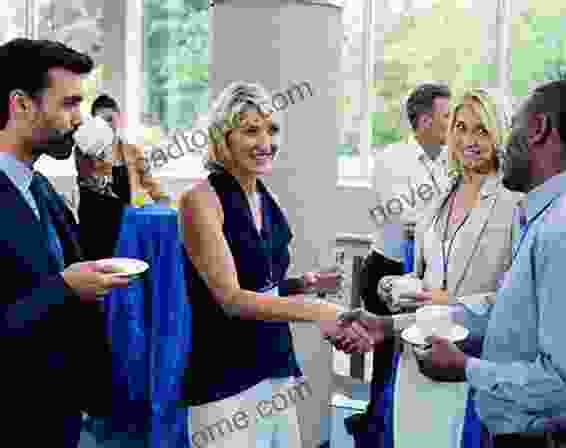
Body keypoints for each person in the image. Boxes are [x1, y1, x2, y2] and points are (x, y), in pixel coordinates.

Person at [403, 80, 566, 448]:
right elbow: (508, 313)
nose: (503, 143)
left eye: (513, 128)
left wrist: (466, 368)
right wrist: (394, 323)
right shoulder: (562, 213)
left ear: (538, 129)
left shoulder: (564, 228)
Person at [178, 81, 374, 448]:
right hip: (226, 376)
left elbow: (261, 286)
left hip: (275, 365)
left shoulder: (262, 195)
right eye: (251, 131)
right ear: (224, 137)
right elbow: (232, 299)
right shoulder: (199, 201)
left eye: (272, 129)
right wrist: (316, 310)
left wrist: (302, 284)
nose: (265, 142)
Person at [374, 88, 524, 448]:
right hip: (416, 355)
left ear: (498, 136)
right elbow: (427, 275)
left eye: (481, 130)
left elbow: (515, 299)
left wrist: (444, 298)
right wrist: (398, 285)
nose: (469, 140)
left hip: (467, 361)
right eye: (460, 127)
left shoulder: (514, 203)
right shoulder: (440, 195)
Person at [0, 38, 130, 448]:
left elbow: (91, 259)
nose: (79, 119)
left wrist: (94, 181)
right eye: (69, 104)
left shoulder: (37, 186)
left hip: (57, 414)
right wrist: (63, 288)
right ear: (21, 104)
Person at [356, 82, 455, 433]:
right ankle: (377, 424)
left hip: (429, 273)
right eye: (447, 116)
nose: (453, 123)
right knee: (386, 356)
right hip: (389, 268)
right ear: (425, 120)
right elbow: (398, 215)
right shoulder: (391, 159)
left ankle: (412, 424)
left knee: (420, 350)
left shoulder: (452, 160)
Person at [75, 94, 170, 260]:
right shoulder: (85, 151)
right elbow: (91, 183)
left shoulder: (132, 150)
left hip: (125, 221)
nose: (107, 125)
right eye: (101, 121)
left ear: (119, 119)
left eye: (110, 119)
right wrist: (99, 150)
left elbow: (148, 181)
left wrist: (164, 201)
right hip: (95, 221)